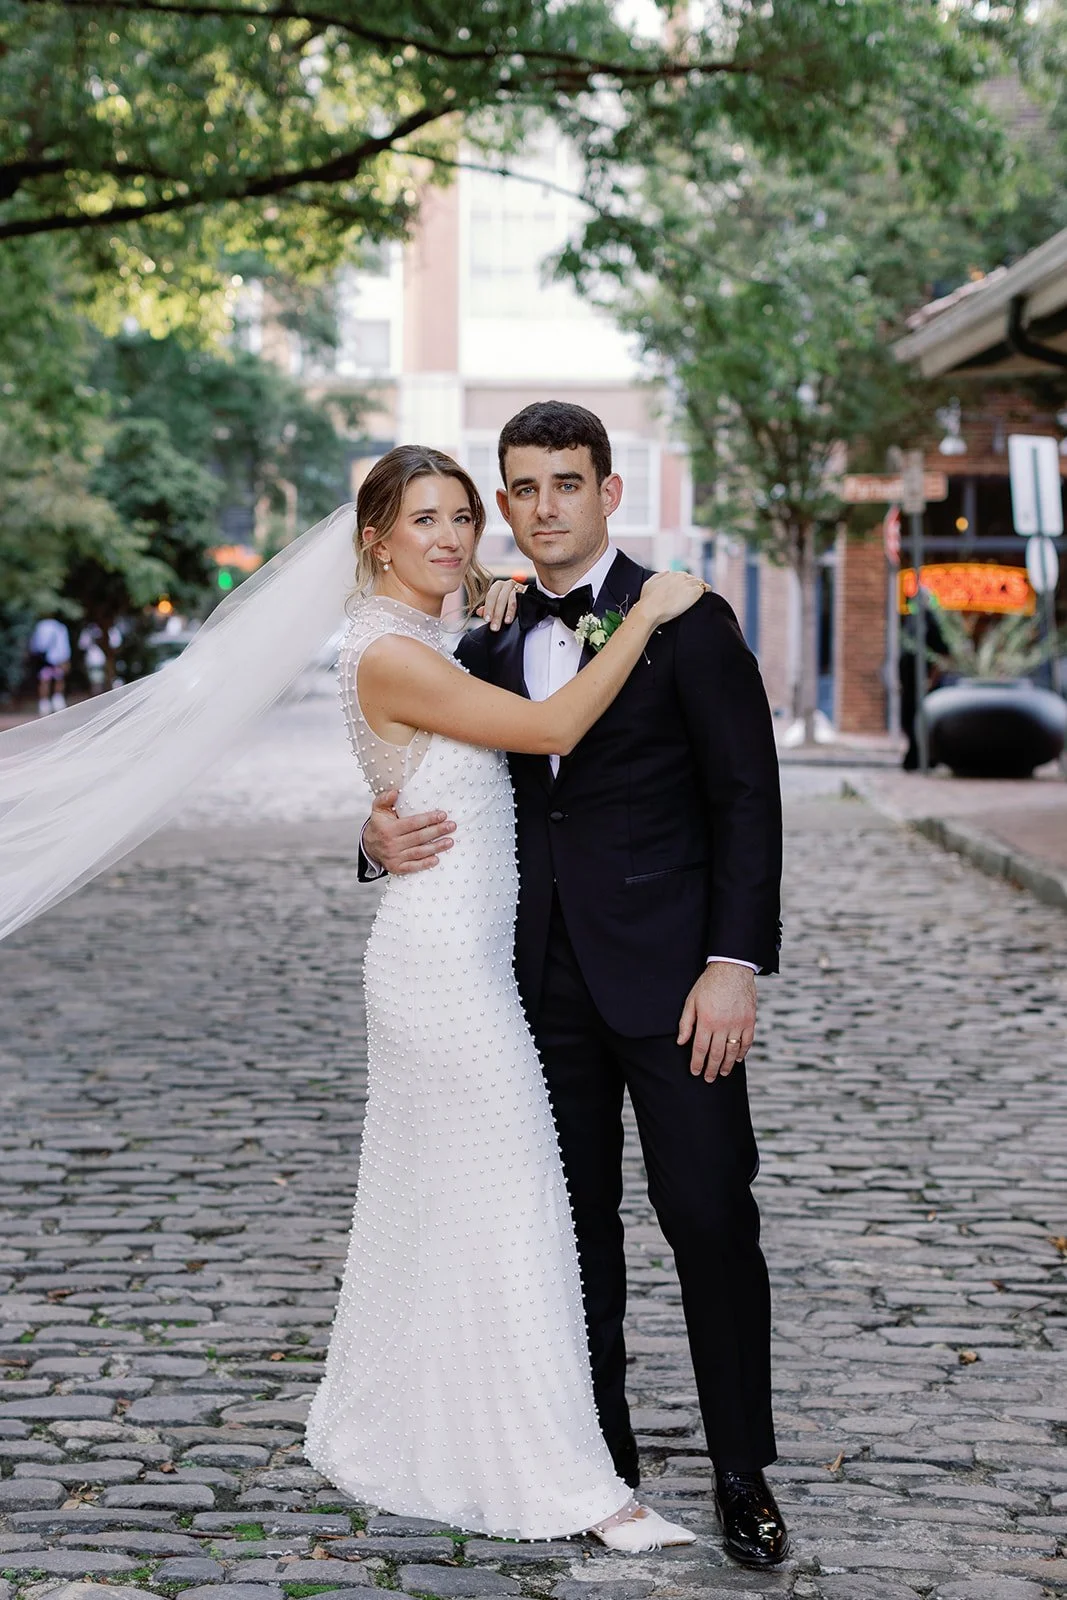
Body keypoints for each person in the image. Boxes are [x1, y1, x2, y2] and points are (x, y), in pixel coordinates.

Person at [361, 403, 789, 1569]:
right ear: (505, 503)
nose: (543, 506)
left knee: (710, 1217)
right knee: (569, 1234)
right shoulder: (482, 635)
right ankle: (597, 1464)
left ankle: (741, 1471)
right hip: (528, 986)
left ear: (608, 490)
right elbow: (425, 766)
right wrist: (373, 836)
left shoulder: (684, 619)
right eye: (523, 487)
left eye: (566, 482)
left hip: (675, 983)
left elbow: (745, 799)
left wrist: (732, 964)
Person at [303, 444, 708, 1550]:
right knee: (522, 1202)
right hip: (440, 970)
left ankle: (441, 1435)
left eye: (460, 517)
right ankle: (570, 1484)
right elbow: (551, 729)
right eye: (422, 520)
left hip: (479, 959)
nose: (448, 537)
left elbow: (448, 761)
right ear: (375, 538)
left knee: (462, 1211)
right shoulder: (391, 651)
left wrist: (496, 597)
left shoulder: (437, 632)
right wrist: (644, 613)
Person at [27, 616, 71, 715]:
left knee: (44, 681)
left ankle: (44, 704)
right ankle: (57, 702)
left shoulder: (40, 626)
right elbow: (64, 645)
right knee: (59, 680)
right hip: (58, 659)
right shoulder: (60, 627)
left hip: (44, 659)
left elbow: (36, 645)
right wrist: (66, 659)